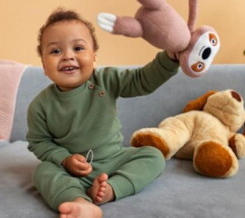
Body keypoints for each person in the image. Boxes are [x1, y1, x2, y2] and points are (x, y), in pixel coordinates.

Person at [26, 8, 179, 218]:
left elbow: (141, 80)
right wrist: (64, 159)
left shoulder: (106, 80)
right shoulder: (40, 105)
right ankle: (79, 201)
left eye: (78, 48)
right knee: (42, 172)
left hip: (115, 159)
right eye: (55, 51)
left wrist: (169, 59)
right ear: (44, 66)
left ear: (94, 58)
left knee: (153, 156)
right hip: (71, 171)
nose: (68, 56)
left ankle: (111, 190)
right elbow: (40, 142)